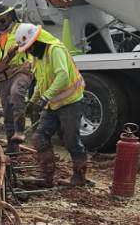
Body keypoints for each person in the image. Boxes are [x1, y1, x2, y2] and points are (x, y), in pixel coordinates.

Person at [18, 23, 91, 188]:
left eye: (30, 48)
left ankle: (79, 177)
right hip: (53, 103)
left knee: (71, 140)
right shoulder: (37, 57)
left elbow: (63, 77)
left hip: (71, 101)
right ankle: (47, 176)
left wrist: (45, 97)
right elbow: (41, 82)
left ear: (38, 41)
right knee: (39, 137)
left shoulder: (55, 50)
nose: (29, 52)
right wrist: (32, 101)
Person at [0, 9, 35, 150]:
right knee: (7, 110)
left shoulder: (20, 31)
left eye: (2, 20)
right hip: (4, 76)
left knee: (16, 93)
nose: (0, 24)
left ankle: (20, 130)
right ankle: (12, 147)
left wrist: (31, 62)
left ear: (10, 17)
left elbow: (32, 47)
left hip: (21, 70)